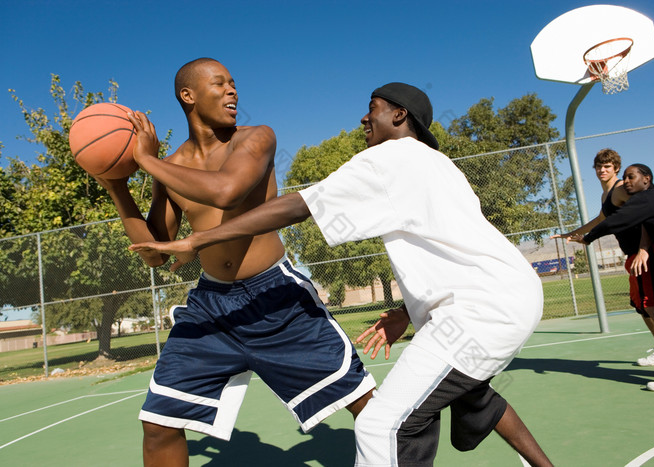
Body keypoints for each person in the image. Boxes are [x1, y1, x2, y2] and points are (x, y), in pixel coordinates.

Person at [130, 82, 553, 466]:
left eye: (373, 109)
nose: (364, 118)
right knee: (469, 393)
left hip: (479, 310)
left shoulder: (388, 158)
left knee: (379, 425)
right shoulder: (436, 164)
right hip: (501, 295)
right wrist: (409, 310)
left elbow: (296, 205)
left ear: (399, 116)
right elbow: (453, 247)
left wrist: (195, 240)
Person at [97, 58, 375, 466]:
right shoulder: (170, 168)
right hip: (211, 306)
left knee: (364, 404)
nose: (233, 92)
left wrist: (147, 160)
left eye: (233, 84)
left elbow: (227, 191)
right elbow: (155, 253)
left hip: (275, 298)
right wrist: (118, 188)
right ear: (187, 96)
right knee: (158, 424)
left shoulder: (256, 138)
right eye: (220, 84)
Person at [582, 164, 654, 391]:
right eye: (624, 177)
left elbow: (617, 220)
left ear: (647, 179)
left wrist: (588, 238)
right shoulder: (651, 203)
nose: (626, 181)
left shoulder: (648, 199)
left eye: (631, 176)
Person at [552, 149, 654, 367]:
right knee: (640, 303)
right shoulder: (606, 195)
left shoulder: (620, 189)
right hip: (633, 254)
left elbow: (647, 211)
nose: (602, 170)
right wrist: (573, 234)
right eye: (599, 166)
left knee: (652, 303)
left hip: (646, 253)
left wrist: (644, 248)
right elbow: (600, 219)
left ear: (616, 168)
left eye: (607, 166)